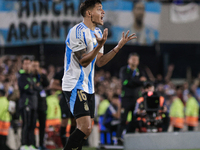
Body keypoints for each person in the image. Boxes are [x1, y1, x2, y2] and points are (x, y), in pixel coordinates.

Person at [62, 0, 137, 149]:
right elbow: (83, 61)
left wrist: (118, 47)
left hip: (89, 88)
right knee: (85, 127)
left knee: (86, 131)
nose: (103, 12)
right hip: (74, 85)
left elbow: (100, 62)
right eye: (99, 9)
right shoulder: (77, 31)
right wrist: (99, 46)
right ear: (89, 13)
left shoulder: (96, 33)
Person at [116, 53, 146, 144]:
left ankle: (129, 138)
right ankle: (118, 138)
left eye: (136, 59)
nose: (134, 61)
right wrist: (138, 81)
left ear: (138, 61)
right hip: (126, 98)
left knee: (134, 120)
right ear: (128, 60)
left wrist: (133, 81)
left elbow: (143, 83)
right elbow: (125, 82)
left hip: (136, 99)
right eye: (132, 59)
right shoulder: (124, 70)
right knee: (123, 119)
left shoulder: (140, 71)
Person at [49, 68, 76, 147]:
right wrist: (65, 89)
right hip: (65, 100)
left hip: (75, 99)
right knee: (64, 122)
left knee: (74, 121)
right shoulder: (62, 71)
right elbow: (52, 85)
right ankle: (64, 145)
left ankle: (71, 144)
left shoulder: (78, 70)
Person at [18, 57, 38, 150]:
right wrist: (33, 87)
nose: (27, 65)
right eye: (25, 63)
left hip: (33, 104)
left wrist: (33, 87)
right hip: (25, 103)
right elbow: (27, 89)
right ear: (22, 65)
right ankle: (23, 144)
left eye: (28, 63)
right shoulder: (21, 76)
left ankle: (31, 144)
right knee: (26, 124)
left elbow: (37, 88)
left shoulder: (32, 76)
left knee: (32, 125)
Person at [32, 60, 49, 150]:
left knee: (42, 126)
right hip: (33, 105)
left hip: (42, 105)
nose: (35, 68)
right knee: (33, 126)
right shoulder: (30, 76)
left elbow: (47, 84)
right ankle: (33, 144)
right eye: (34, 66)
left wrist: (42, 76)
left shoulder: (41, 76)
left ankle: (41, 144)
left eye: (37, 66)